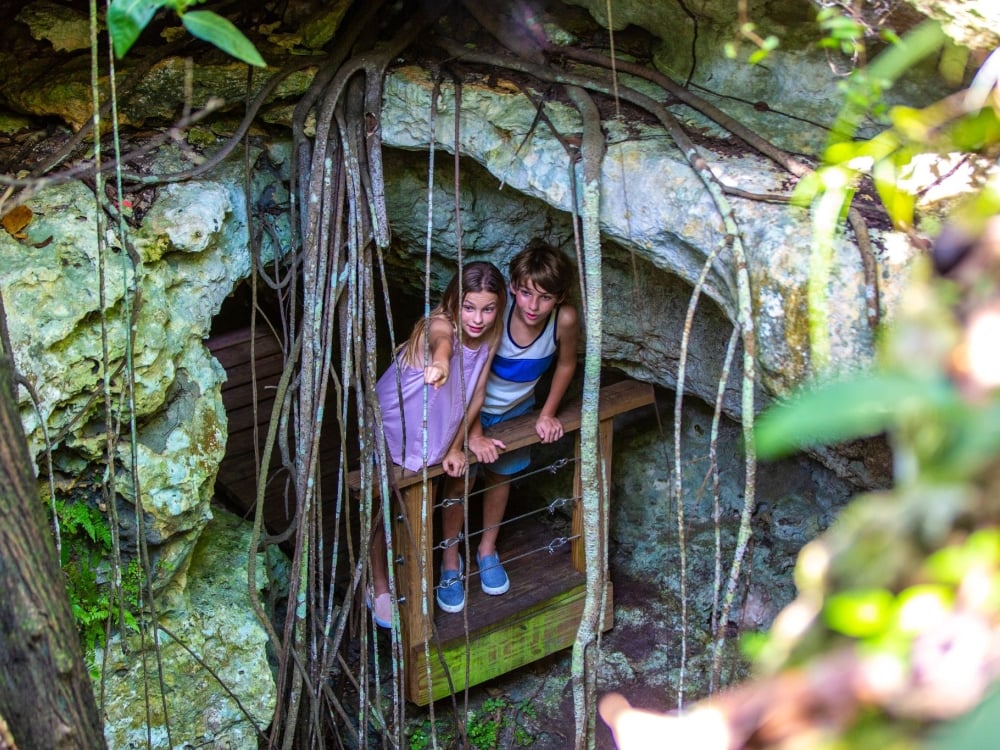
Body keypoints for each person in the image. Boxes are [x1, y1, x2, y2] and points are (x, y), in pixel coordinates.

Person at [437, 238, 579, 614]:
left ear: (560, 298)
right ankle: (450, 560)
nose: (533, 306)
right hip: (469, 412)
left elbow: (565, 364)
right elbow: (468, 377)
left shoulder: (563, 321)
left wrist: (547, 413)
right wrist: (474, 433)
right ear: (514, 288)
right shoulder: (495, 316)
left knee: (501, 478)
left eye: (545, 297)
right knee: (460, 480)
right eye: (527, 294)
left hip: (518, 411)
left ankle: (486, 550)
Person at [368, 261, 507, 628]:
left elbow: (476, 393)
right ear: (452, 302)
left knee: (455, 481)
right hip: (396, 424)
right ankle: (379, 584)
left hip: (442, 424)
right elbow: (441, 344)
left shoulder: (491, 336)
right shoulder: (440, 325)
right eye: (469, 307)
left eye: (488, 308)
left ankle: (449, 562)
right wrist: (441, 364)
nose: (478, 318)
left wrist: (457, 445)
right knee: (384, 501)